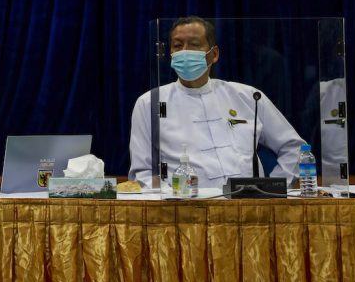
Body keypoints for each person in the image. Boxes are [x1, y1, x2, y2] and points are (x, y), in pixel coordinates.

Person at [128, 16, 305, 188]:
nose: (185, 51)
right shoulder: (149, 103)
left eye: (194, 45)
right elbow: (143, 172)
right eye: (178, 45)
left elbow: (295, 148)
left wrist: (272, 189)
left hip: (249, 207)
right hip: (185, 207)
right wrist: (172, 198)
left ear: (213, 54)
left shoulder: (249, 97)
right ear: (171, 54)